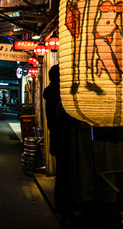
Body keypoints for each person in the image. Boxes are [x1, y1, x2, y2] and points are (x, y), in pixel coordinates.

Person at [43, 65, 77, 223]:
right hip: (63, 140)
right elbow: (63, 120)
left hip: (57, 140)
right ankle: (65, 211)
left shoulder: (50, 94)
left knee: (62, 175)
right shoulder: (58, 96)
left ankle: (62, 209)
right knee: (65, 176)